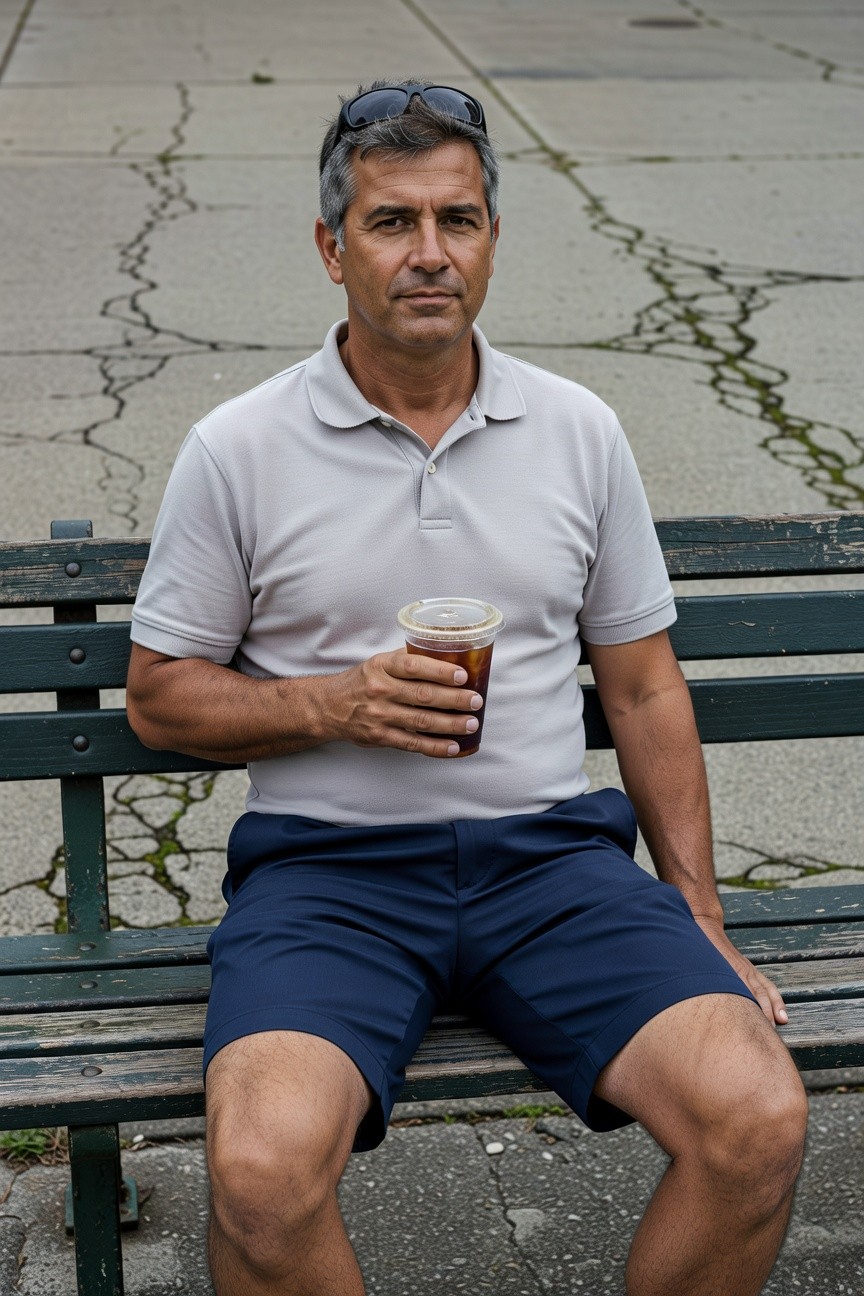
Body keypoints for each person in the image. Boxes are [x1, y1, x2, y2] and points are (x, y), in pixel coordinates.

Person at [126, 80, 808, 1296]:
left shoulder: (577, 430)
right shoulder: (240, 447)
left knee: (756, 1117)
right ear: (333, 247)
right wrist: (331, 704)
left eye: (459, 219)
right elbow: (159, 696)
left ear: (492, 240)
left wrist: (699, 912)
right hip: (328, 878)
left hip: (551, 869)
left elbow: (643, 690)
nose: (430, 253)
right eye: (393, 222)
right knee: (261, 1176)